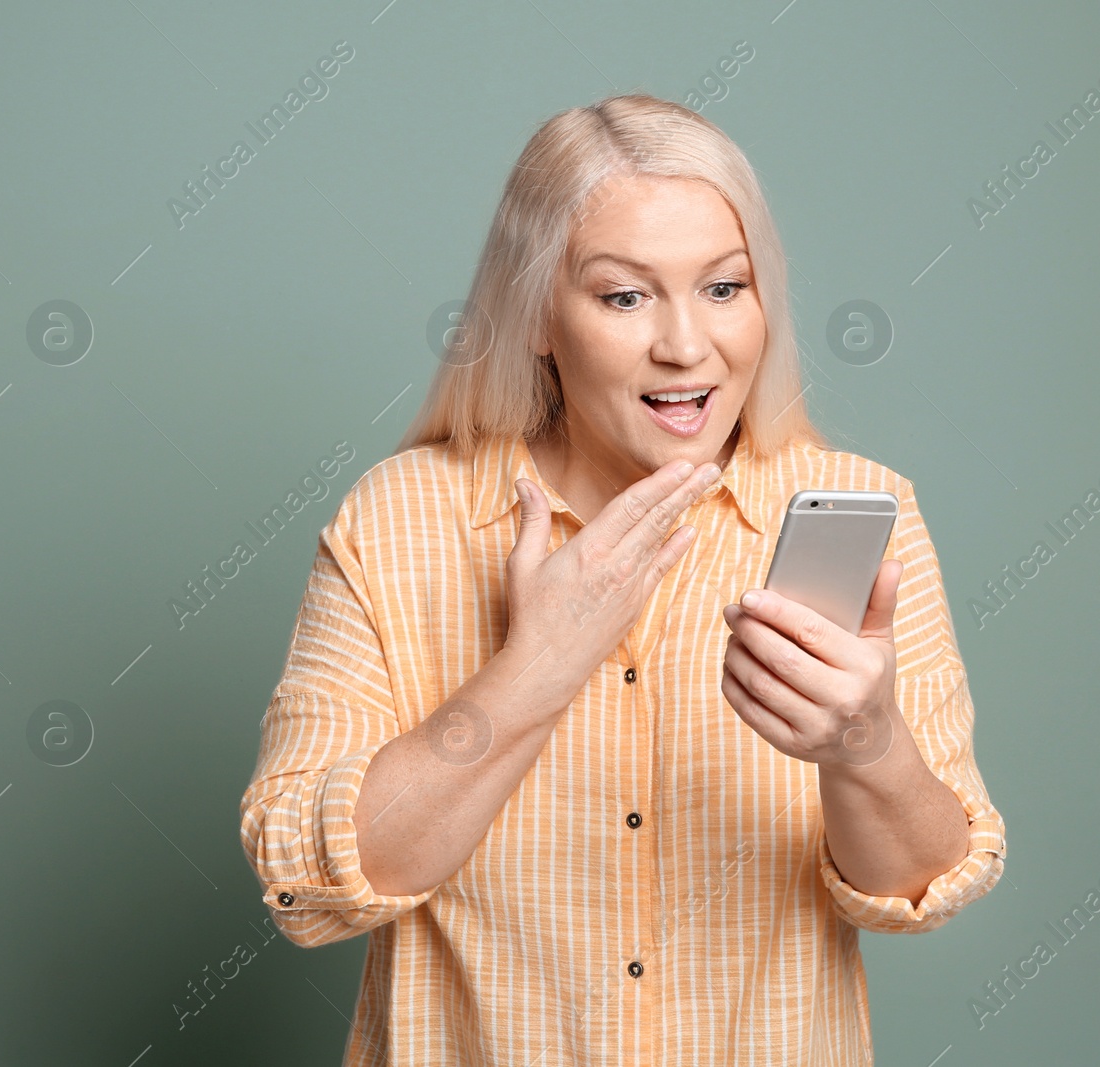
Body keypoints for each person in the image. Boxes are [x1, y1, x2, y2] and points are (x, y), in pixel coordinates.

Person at [239, 92, 1006, 1066]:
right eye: (625, 296)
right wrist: (535, 668)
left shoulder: (860, 509)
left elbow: (927, 883)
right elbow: (305, 880)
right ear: (535, 318)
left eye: (724, 288)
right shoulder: (400, 521)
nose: (687, 345)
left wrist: (862, 742)